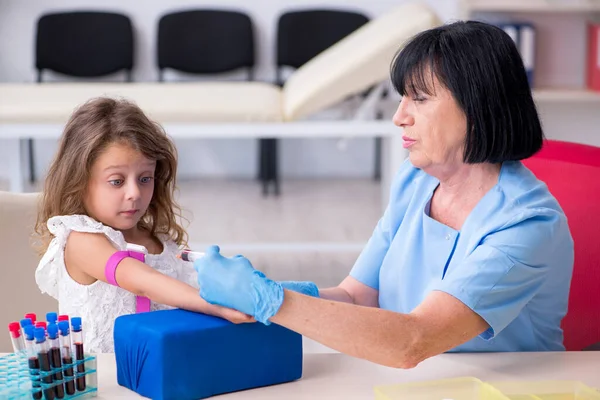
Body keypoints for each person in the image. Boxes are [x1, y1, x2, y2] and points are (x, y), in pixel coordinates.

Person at [193, 20, 575, 368]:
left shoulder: (526, 224)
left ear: (478, 106)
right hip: (411, 379)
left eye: (419, 98)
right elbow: (358, 296)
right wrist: (266, 294)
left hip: (505, 387)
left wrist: (272, 303)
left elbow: (415, 339)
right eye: (401, 97)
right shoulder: (416, 180)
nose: (399, 116)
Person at [34, 97, 254, 353]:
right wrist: (214, 305)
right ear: (79, 182)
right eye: (116, 181)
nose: (134, 193)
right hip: (102, 382)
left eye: (145, 178)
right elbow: (139, 278)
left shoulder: (160, 242)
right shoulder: (81, 239)